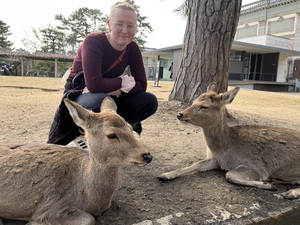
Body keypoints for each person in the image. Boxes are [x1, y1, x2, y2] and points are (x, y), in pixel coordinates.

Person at [47, 1, 158, 147]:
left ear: (136, 28)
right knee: (101, 99)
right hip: (81, 92)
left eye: (130, 25)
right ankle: (81, 133)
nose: (125, 30)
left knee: (149, 101)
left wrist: (116, 90)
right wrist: (124, 82)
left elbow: (142, 85)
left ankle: (115, 133)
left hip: (108, 94)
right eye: (119, 24)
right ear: (109, 24)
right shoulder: (93, 41)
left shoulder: (132, 48)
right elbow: (93, 85)